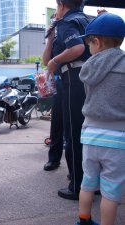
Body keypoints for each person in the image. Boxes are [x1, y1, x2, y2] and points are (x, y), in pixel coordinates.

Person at [76, 13, 125, 225]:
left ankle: (83, 219)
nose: (89, 48)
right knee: (111, 190)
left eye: (89, 43)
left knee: (88, 183)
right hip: (117, 138)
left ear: (96, 41)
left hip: (90, 135)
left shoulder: (89, 66)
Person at [47, 0, 91, 200]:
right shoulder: (87, 21)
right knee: (88, 132)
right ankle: (90, 181)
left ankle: (77, 185)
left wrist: (56, 61)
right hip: (91, 77)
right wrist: (51, 37)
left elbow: (77, 48)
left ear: (61, 4)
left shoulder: (67, 22)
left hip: (73, 78)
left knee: (73, 132)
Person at [42, 11, 64, 172]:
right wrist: (50, 38)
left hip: (73, 80)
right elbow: (45, 61)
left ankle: (76, 167)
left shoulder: (72, 28)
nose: (54, 19)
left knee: (72, 125)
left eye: (56, 16)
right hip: (59, 83)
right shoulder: (55, 37)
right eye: (53, 17)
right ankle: (54, 159)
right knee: (56, 122)